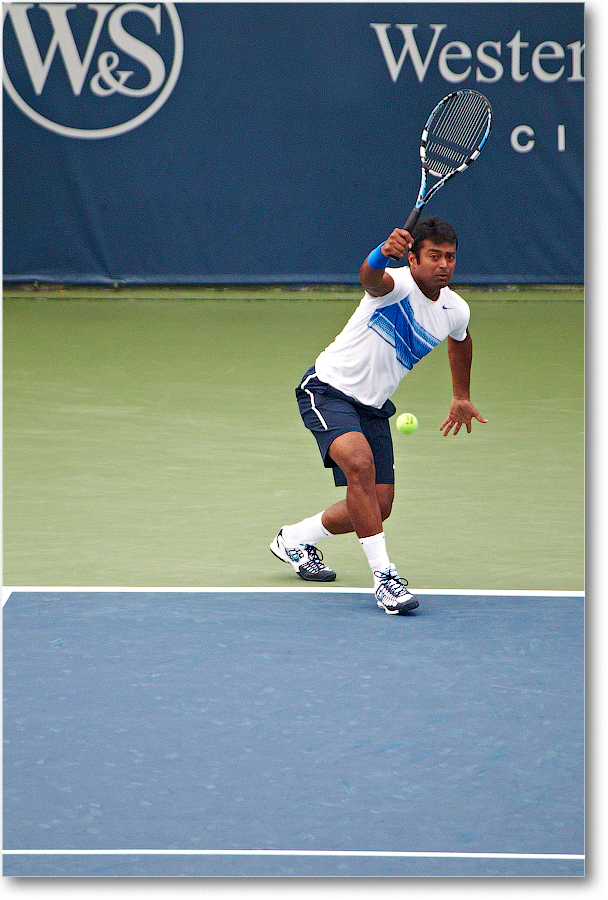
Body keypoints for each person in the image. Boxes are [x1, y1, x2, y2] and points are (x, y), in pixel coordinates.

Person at [270, 217, 487, 614]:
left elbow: (462, 340)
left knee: (379, 504)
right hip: (327, 390)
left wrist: (461, 394)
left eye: (450, 257)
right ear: (413, 257)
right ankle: (384, 578)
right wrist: (378, 255)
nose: (443, 265)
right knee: (359, 465)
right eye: (434, 256)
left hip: (372, 407)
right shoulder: (396, 284)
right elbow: (371, 280)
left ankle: (295, 538)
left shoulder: (455, 309)